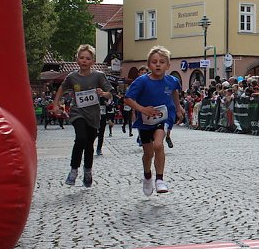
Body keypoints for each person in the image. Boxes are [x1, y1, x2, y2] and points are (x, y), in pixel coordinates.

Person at [124, 46, 185, 196]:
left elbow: (174, 91)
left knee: (158, 144)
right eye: (154, 62)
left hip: (164, 117)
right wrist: (142, 109)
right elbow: (127, 99)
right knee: (148, 153)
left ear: (168, 65)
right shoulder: (141, 81)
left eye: (162, 62)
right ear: (149, 64)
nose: (158, 65)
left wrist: (178, 108)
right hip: (145, 120)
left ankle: (160, 179)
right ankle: (147, 176)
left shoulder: (172, 80)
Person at [52, 44, 113, 187]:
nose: (84, 61)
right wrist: (56, 104)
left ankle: (88, 171)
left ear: (93, 61)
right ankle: (73, 170)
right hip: (77, 112)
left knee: (89, 145)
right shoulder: (72, 77)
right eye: (81, 58)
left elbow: (110, 92)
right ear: (77, 60)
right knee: (81, 138)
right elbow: (62, 88)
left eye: (88, 58)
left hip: (93, 115)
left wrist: (103, 94)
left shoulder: (98, 76)